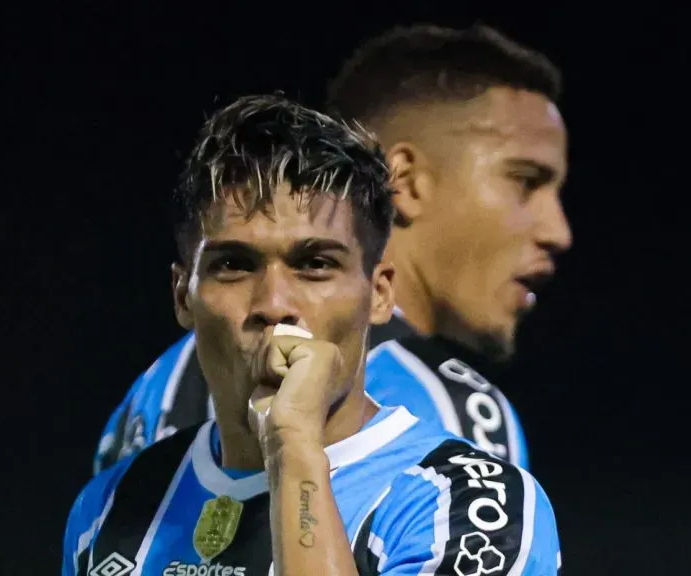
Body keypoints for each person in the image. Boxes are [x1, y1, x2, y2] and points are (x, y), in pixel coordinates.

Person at [63, 94, 561, 576]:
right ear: (182, 297)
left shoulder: (473, 506)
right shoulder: (110, 508)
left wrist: (294, 449)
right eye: (234, 265)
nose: (274, 304)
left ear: (380, 294)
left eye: (315, 264)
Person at [93, 23, 572, 475]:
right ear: (404, 180)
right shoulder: (447, 405)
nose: (558, 231)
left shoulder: (155, 388)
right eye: (526, 181)